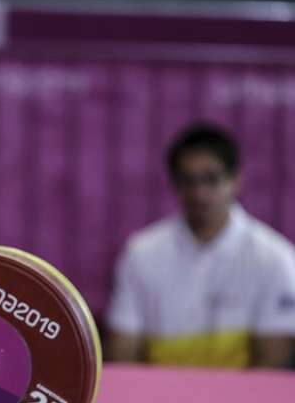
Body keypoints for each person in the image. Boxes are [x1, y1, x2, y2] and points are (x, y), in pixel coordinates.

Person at [106, 123, 295, 368]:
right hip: (158, 399)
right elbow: (123, 356)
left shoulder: (275, 258)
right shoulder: (140, 254)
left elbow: (273, 364)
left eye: (211, 179)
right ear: (175, 185)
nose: (200, 193)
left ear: (236, 180)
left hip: (244, 401)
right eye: (188, 181)